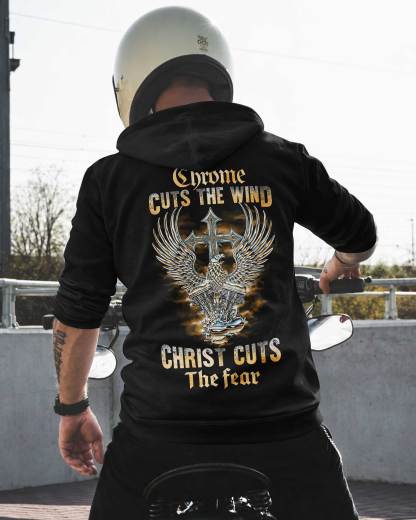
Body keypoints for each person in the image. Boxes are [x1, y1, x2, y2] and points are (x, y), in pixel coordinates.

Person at [51, 6, 377, 520]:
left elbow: (78, 310)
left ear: (131, 81)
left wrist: (72, 409)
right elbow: (360, 233)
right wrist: (342, 262)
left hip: (157, 435)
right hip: (284, 432)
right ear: (217, 74)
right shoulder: (281, 159)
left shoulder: (109, 181)